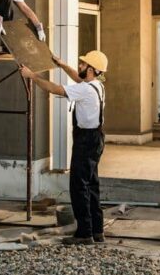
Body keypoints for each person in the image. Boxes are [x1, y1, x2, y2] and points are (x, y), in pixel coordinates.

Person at [20, 50, 108, 245]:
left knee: (79, 186)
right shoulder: (97, 86)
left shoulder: (85, 90)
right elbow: (78, 78)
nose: (80, 66)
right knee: (91, 185)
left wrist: (32, 75)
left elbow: (55, 89)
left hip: (86, 140)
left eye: (83, 64)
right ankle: (97, 231)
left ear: (91, 70)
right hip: (96, 138)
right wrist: (61, 64)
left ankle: (84, 234)